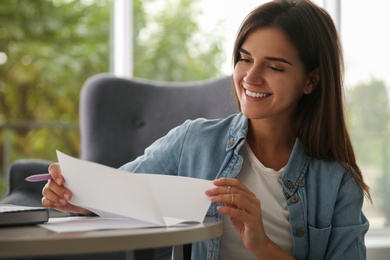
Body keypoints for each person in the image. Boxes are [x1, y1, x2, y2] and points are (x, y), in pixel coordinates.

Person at [42, 0, 371, 259]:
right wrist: (75, 196)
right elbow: (119, 191)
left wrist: (262, 245)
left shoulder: (338, 182)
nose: (251, 77)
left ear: (311, 81)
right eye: (245, 59)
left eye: (274, 66)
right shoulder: (193, 141)